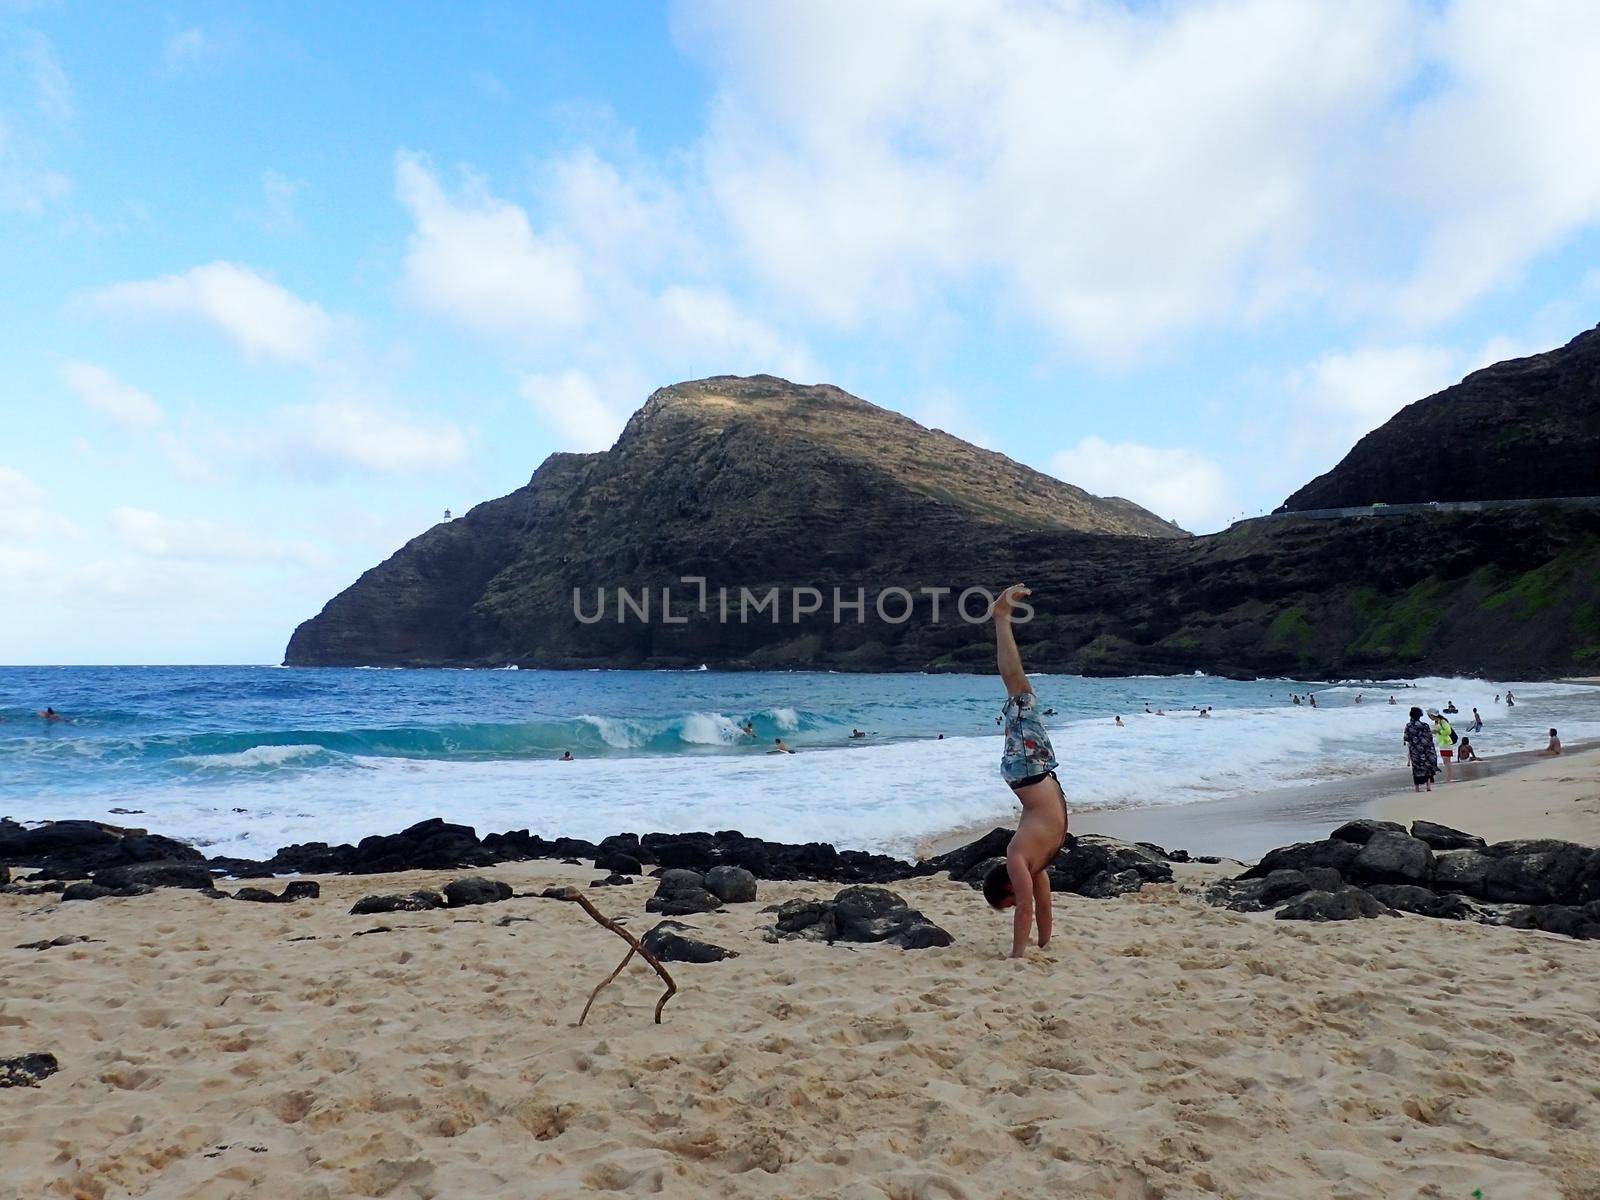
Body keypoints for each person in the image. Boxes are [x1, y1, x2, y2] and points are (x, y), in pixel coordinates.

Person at [981, 583, 1068, 959]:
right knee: (1021, 691)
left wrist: (1018, 956)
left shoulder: (1018, 857)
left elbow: (1027, 910)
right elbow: (1042, 908)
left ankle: (1000, 617)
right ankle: (1001, 619)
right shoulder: (1035, 866)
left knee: (1018, 689)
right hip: (1035, 770)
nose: (1018, 904)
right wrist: (1043, 944)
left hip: (1028, 769)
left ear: (1009, 888)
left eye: (1008, 904)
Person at [1404, 706, 1437, 792]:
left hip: (1415, 751)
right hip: (1425, 750)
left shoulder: (1409, 726)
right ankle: (1428, 786)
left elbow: (1406, 738)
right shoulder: (1425, 725)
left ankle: (1417, 788)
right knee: (1426, 767)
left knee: (1416, 769)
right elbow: (1430, 737)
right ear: (1420, 716)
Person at [1429, 709, 1457, 783]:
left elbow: (1448, 731)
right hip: (1442, 743)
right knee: (1446, 761)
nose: (1429, 717)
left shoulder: (1442, 721)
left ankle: (1448, 779)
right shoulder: (1437, 722)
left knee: (1447, 761)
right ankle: (1448, 778)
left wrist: (1438, 731)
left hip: (1446, 743)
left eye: (1430, 715)